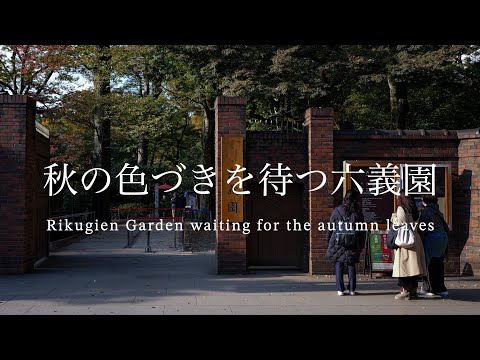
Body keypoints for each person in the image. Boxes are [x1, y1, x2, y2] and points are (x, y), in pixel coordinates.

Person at [326, 189, 365, 296]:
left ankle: (340, 290)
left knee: (339, 264)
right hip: (353, 242)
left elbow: (330, 226)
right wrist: (362, 244)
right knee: (351, 264)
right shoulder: (357, 213)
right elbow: (362, 231)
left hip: (338, 241)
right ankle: (352, 289)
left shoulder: (337, 211)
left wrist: (329, 239)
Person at [391, 190, 427, 300]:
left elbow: (401, 223)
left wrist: (393, 217)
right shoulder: (414, 210)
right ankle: (413, 292)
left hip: (405, 242)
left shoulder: (401, 209)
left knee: (404, 268)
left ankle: (405, 291)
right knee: (413, 268)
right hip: (415, 240)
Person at [418, 194, 449, 297]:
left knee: (429, 265)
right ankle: (440, 288)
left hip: (431, 240)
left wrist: (419, 240)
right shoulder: (438, 211)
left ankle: (429, 289)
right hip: (442, 239)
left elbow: (423, 228)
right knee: (438, 264)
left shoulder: (426, 211)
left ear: (424, 201)